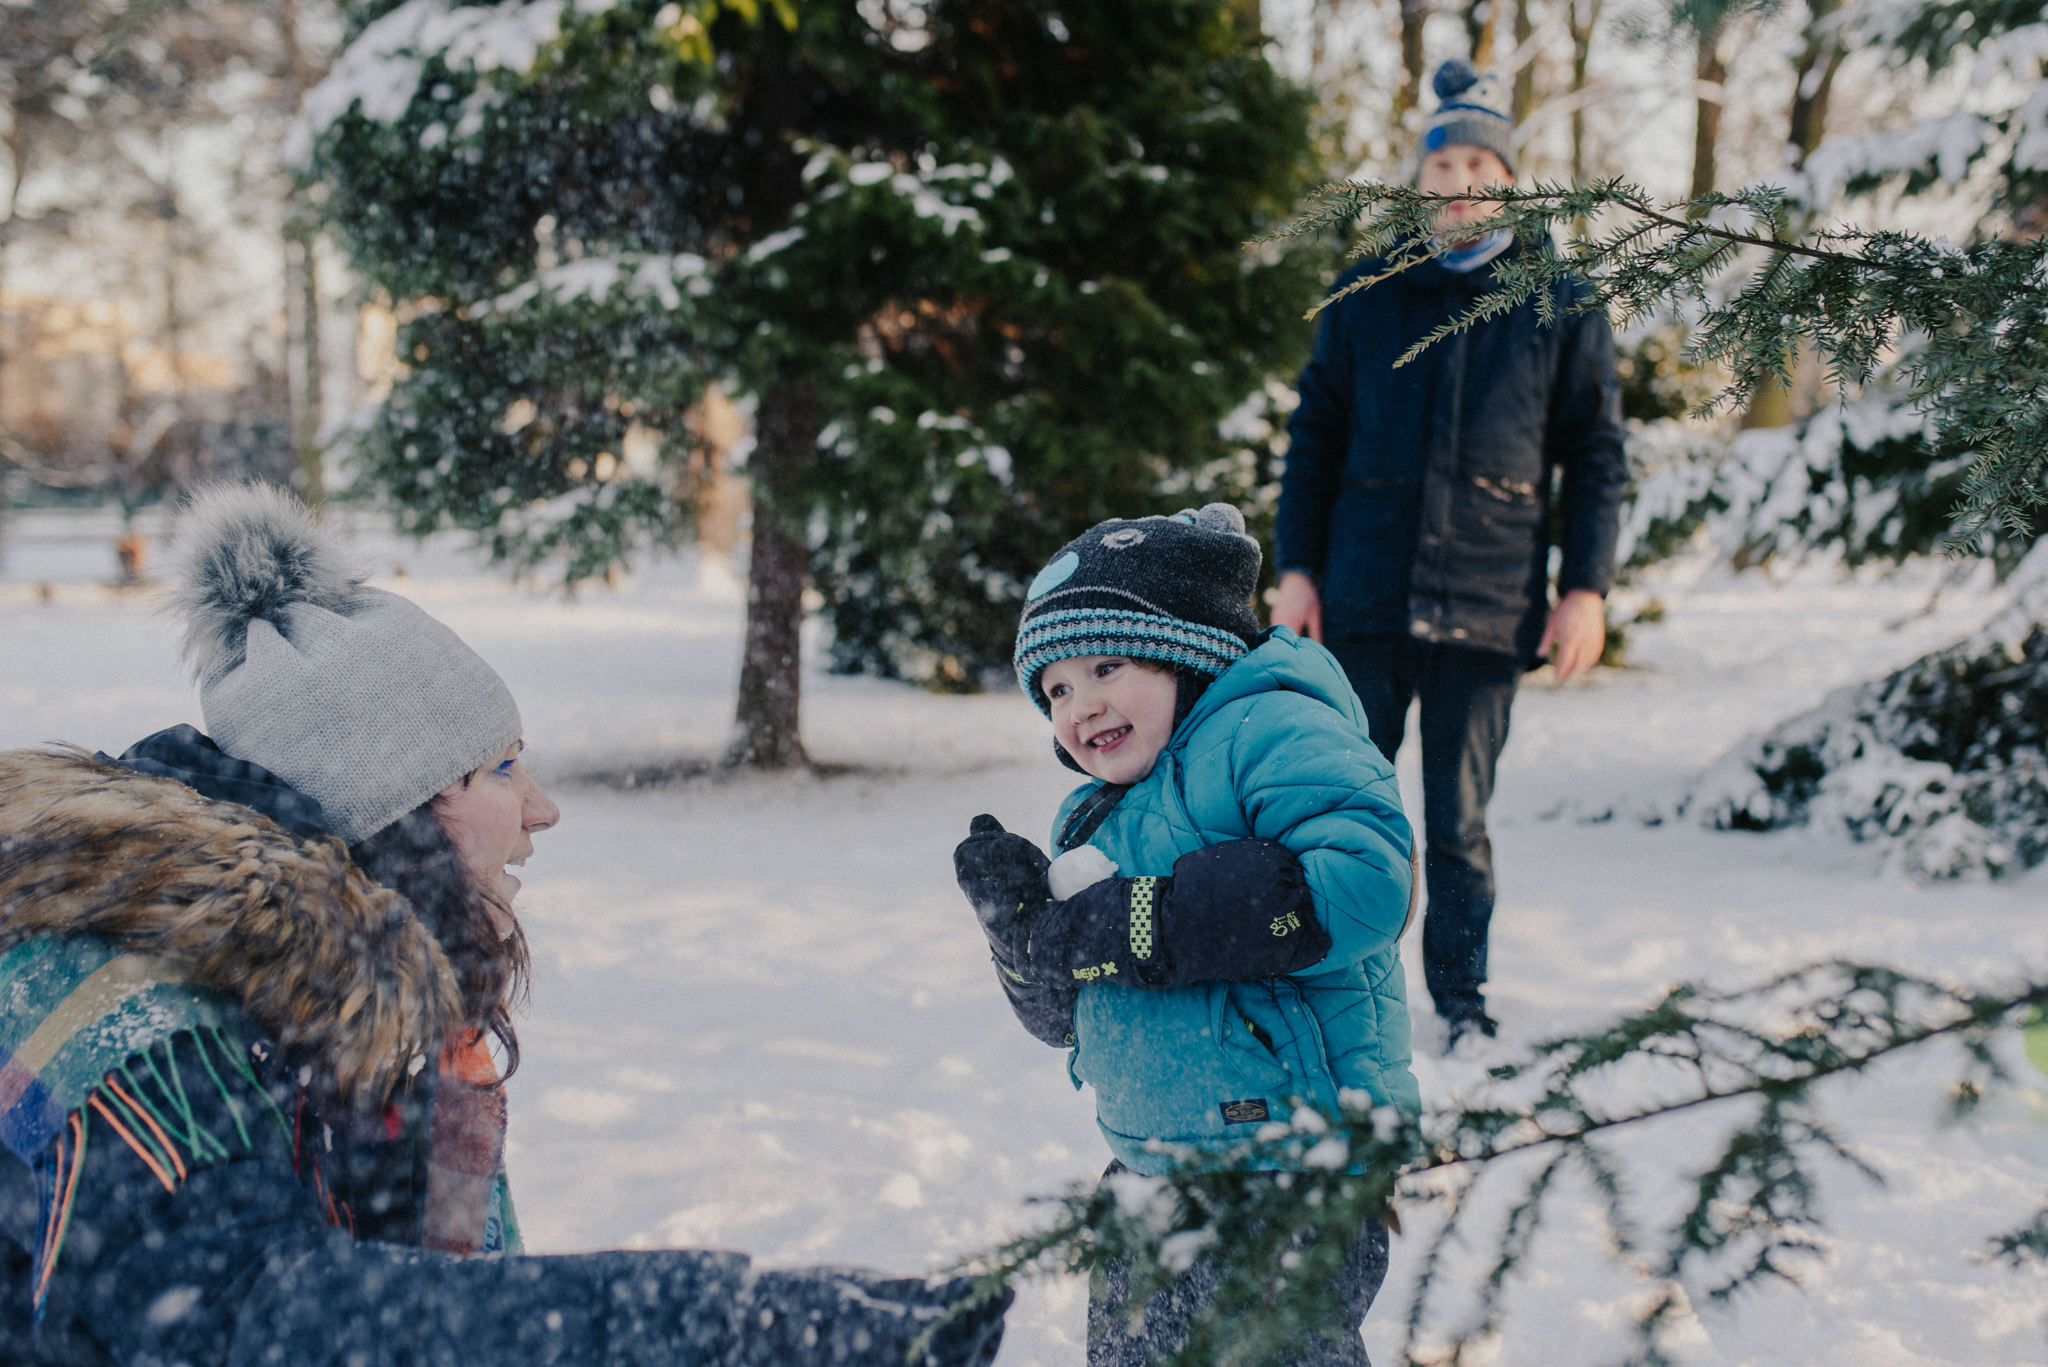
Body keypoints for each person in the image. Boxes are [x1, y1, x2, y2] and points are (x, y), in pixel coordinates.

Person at [0, 483, 1008, 1366]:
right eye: (501, 768)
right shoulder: (128, 1016)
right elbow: (243, 1320)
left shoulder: (342, 996)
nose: (542, 808)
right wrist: (713, 1325)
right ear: (392, 805)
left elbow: (423, 1298)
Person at [953, 504, 1416, 1366]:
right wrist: (1024, 943)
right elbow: (1068, 1017)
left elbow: (1367, 879)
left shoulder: (1269, 730)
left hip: (1287, 1165)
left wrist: (1141, 920)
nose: (1081, 703)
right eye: (1055, 688)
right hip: (1146, 1163)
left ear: (1187, 648)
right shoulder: (1091, 815)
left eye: (1106, 664)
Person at [1271, 58, 1629, 1052]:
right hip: (1364, 599)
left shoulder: (1559, 299)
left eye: (1480, 160)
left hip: (1487, 602)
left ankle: (1459, 999)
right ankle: (1334, 982)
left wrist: (1583, 589)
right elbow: (1315, 437)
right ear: (1417, 178)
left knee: (1456, 821)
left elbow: (1593, 452)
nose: (1460, 178)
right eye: (1442, 163)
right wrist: (1295, 566)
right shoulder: (1366, 292)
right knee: (1348, 806)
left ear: (1510, 179)